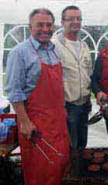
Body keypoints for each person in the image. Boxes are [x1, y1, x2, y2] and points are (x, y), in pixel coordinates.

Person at [5, 8, 70, 185]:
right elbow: (14, 91)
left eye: (49, 25)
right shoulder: (20, 52)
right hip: (36, 125)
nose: (45, 28)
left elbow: (58, 87)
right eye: (40, 24)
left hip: (58, 123)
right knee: (40, 173)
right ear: (30, 26)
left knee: (60, 167)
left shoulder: (54, 50)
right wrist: (25, 122)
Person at [52, 5, 92, 150]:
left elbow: (89, 74)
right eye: (71, 19)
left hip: (84, 104)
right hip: (68, 105)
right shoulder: (55, 46)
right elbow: (53, 80)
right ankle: (71, 172)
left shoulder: (84, 46)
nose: (76, 22)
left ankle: (79, 171)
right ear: (62, 22)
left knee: (82, 144)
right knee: (70, 146)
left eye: (78, 18)